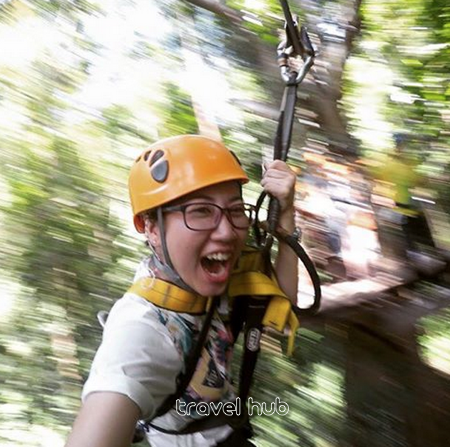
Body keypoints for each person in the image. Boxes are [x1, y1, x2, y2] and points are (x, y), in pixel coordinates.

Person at [65, 135, 298, 447]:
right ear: (150, 227)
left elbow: (284, 306)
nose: (227, 231)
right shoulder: (143, 328)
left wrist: (286, 213)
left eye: (235, 209)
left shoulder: (216, 269)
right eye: (200, 211)